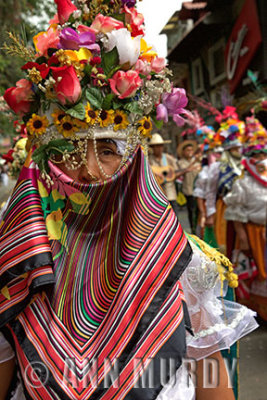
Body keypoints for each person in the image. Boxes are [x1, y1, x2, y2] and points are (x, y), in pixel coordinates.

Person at [0, 1, 257, 399]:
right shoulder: (22, 264)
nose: (87, 170)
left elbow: (212, 383)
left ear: (133, 157)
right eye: (68, 149)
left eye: (107, 149)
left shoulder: (182, 263)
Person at [224, 116, 267, 320]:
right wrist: (242, 236)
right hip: (255, 232)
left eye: (263, 154)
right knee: (260, 272)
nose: (260, 159)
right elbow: (235, 211)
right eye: (256, 155)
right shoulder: (243, 183)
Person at [205, 114, 245, 254]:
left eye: (239, 148)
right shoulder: (217, 168)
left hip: (246, 207)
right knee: (229, 241)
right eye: (234, 149)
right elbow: (210, 192)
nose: (238, 152)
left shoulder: (246, 164)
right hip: (225, 208)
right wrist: (210, 214)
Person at [148, 133, 180, 217]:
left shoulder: (168, 158)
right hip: (156, 196)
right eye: (156, 146)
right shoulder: (148, 160)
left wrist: (170, 176)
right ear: (152, 147)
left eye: (160, 146)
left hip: (170, 194)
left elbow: (176, 172)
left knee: (174, 218)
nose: (159, 148)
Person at [177, 140, 201, 234]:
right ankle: (193, 229)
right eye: (187, 150)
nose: (190, 152)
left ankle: (199, 229)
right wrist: (192, 164)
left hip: (198, 189)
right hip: (188, 190)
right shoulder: (180, 162)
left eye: (191, 150)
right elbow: (183, 171)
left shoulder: (197, 161)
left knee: (199, 211)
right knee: (191, 211)